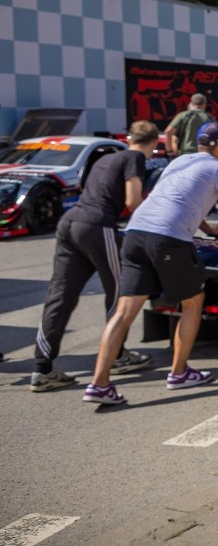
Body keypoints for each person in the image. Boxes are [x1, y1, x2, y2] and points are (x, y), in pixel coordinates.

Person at [81, 122, 218, 405]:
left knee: (123, 311)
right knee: (193, 301)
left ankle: (99, 384)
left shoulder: (180, 162)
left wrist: (207, 229)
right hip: (167, 239)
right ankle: (179, 373)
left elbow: (175, 198)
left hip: (135, 233)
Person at [30, 121, 160, 392]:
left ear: (129, 137)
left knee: (61, 295)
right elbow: (132, 201)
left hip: (70, 223)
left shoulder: (105, 158)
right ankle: (118, 355)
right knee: (120, 293)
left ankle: (42, 368)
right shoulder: (135, 158)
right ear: (154, 142)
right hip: (98, 225)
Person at [164, 93, 212, 157]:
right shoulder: (209, 118)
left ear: (191, 103)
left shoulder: (184, 115)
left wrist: (169, 150)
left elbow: (168, 132)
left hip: (186, 153)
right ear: (204, 105)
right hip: (204, 154)